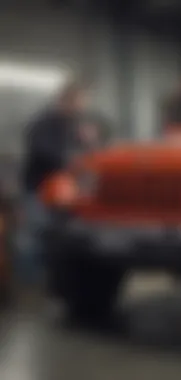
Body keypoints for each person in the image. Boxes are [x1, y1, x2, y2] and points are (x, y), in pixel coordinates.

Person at [17, 80, 90, 290]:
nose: (82, 107)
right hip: (38, 188)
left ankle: (52, 282)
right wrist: (69, 161)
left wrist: (86, 140)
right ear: (66, 100)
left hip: (62, 191)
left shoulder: (72, 125)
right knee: (33, 236)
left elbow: (86, 152)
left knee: (57, 236)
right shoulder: (43, 123)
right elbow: (42, 151)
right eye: (80, 102)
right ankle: (29, 287)